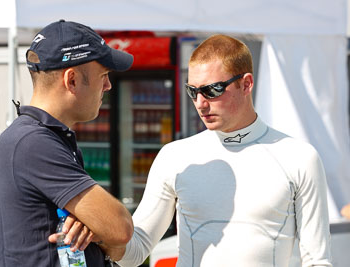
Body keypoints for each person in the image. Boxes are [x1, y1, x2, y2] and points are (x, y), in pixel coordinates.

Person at [96, 34, 331, 266]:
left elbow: (317, 261)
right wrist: (96, 228)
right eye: (192, 91)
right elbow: (135, 251)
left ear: (246, 84)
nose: (200, 103)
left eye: (213, 90)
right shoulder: (175, 156)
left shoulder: (299, 158)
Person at [0, 20, 134, 267]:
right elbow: (120, 228)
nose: (108, 86)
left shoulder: (43, 136)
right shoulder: (33, 142)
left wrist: (96, 228)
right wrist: (102, 229)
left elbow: (117, 240)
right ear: (72, 80)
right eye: (103, 75)